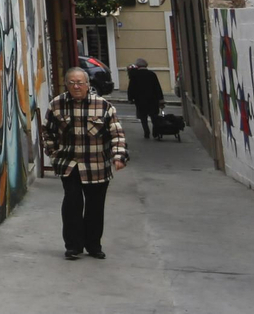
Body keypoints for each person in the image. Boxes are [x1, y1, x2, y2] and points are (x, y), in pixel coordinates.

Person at [43, 66, 128, 260]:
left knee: (95, 207)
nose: (76, 86)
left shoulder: (103, 106)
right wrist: (53, 153)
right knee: (71, 204)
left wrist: (118, 156)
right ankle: (73, 246)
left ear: (87, 85)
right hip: (69, 164)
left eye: (80, 82)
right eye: (72, 83)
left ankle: (93, 245)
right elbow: (47, 131)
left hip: (97, 165)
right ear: (66, 85)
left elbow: (116, 133)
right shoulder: (57, 105)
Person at [125, 57, 165, 139]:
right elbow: (157, 87)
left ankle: (146, 132)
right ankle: (155, 132)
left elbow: (131, 88)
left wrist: (130, 98)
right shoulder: (152, 74)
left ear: (137, 66)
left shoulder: (134, 75)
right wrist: (161, 99)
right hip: (153, 100)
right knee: (154, 116)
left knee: (143, 117)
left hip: (140, 100)